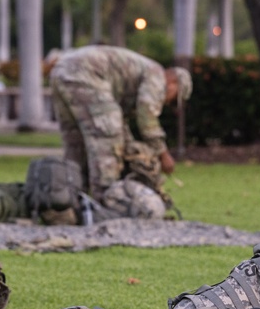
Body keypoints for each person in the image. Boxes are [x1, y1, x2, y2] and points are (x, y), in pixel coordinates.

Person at [48, 45, 192, 201]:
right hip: (86, 72)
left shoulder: (140, 73)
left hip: (61, 70)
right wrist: (163, 154)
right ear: (173, 83)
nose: (167, 103)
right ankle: (105, 200)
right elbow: (146, 117)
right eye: (173, 99)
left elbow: (121, 123)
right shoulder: (157, 75)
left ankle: (70, 200)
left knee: (76, 144)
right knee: (107, 139)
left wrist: (131, 149)